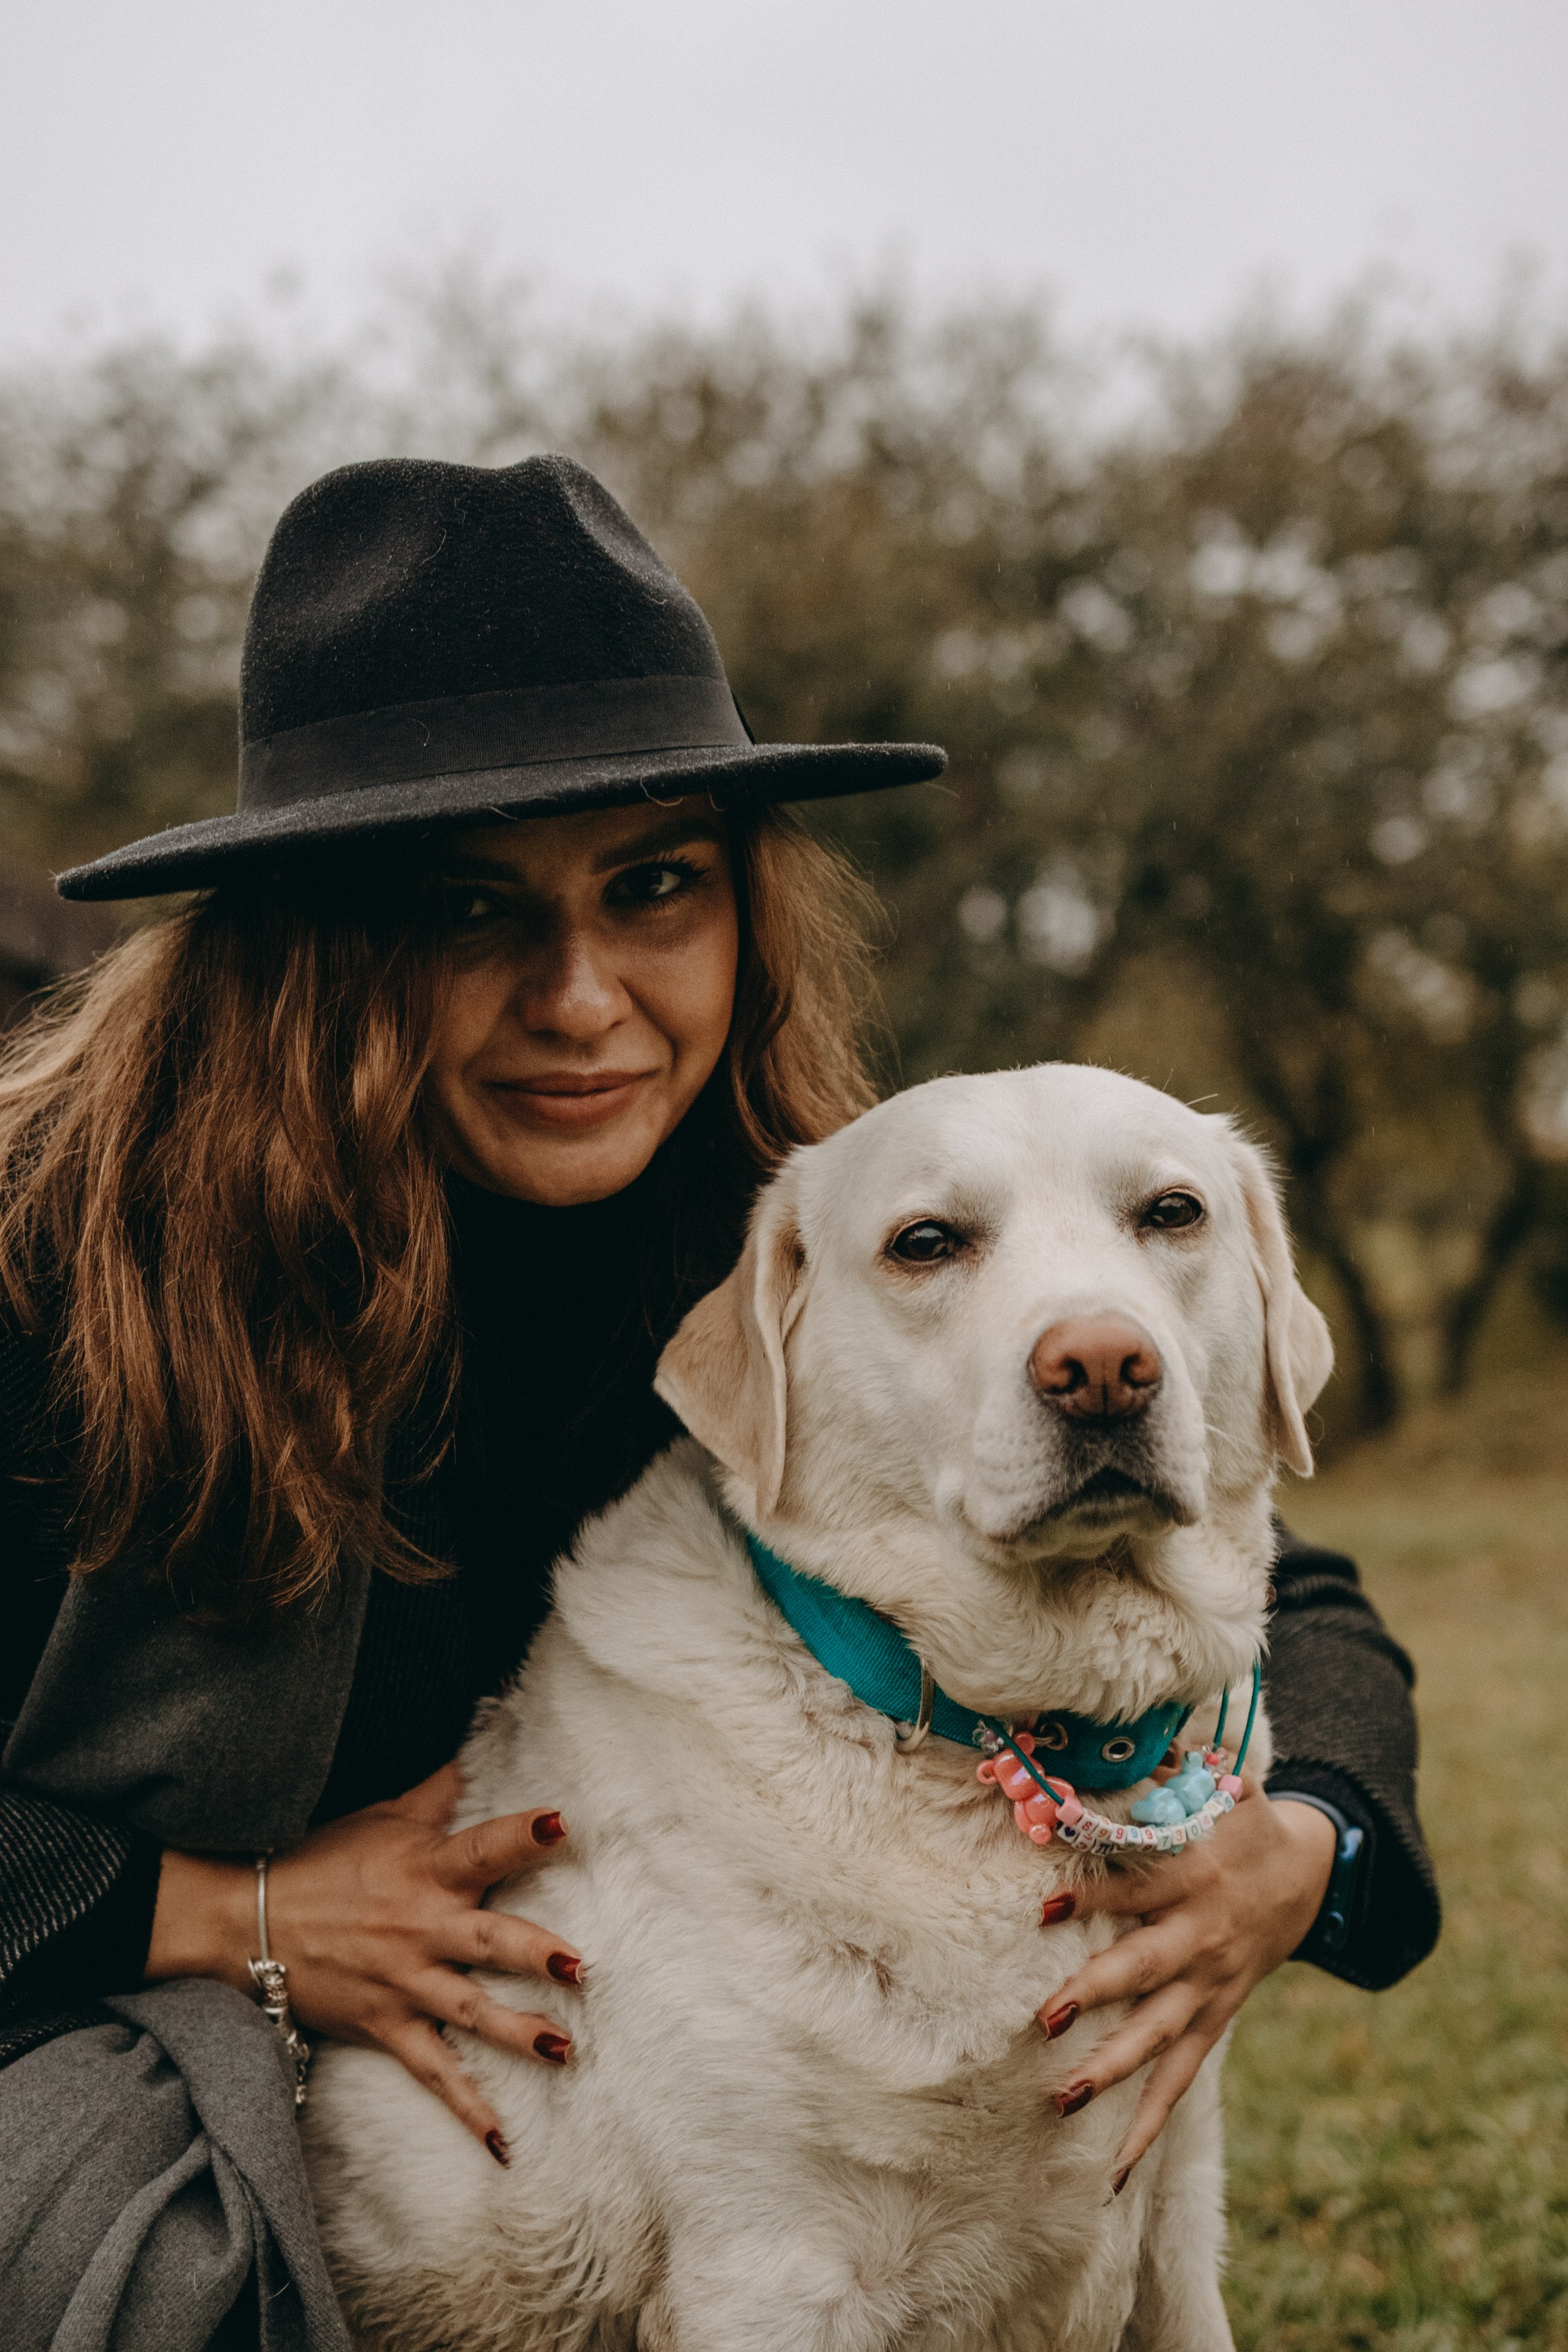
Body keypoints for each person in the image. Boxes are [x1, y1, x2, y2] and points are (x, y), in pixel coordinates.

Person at [0, 455, 1438, 2351]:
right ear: (313, 938)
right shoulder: (60, 1260)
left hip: (564, 2077)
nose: (582, 996)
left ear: (747, 903)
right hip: (103, 2018)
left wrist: (1304, 1844)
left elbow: (1263, 1567)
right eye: (467, 908)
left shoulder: (785, 1225)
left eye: (654, 885)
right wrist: (220, 1914)